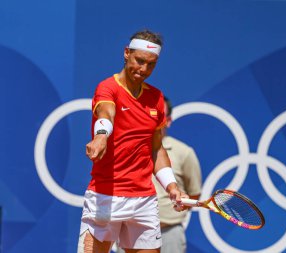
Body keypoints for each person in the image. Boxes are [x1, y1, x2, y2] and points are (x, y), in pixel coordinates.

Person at [78, 29, 188, 253]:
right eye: (139, 61)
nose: (144, 70)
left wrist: (171, 185)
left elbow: (155, 149)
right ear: (126, 53)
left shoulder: (156, 97)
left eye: (151, 64)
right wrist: (101, 136)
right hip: (105, 197)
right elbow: (106, 114)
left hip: (144, 201)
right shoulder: (108, 88)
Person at [117, 97, 202, 253]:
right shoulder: (125, 150)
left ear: (168, 120)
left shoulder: (184, 153)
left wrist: (181, 203)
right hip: (131, 233)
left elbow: (194, 194)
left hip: (169, 233)